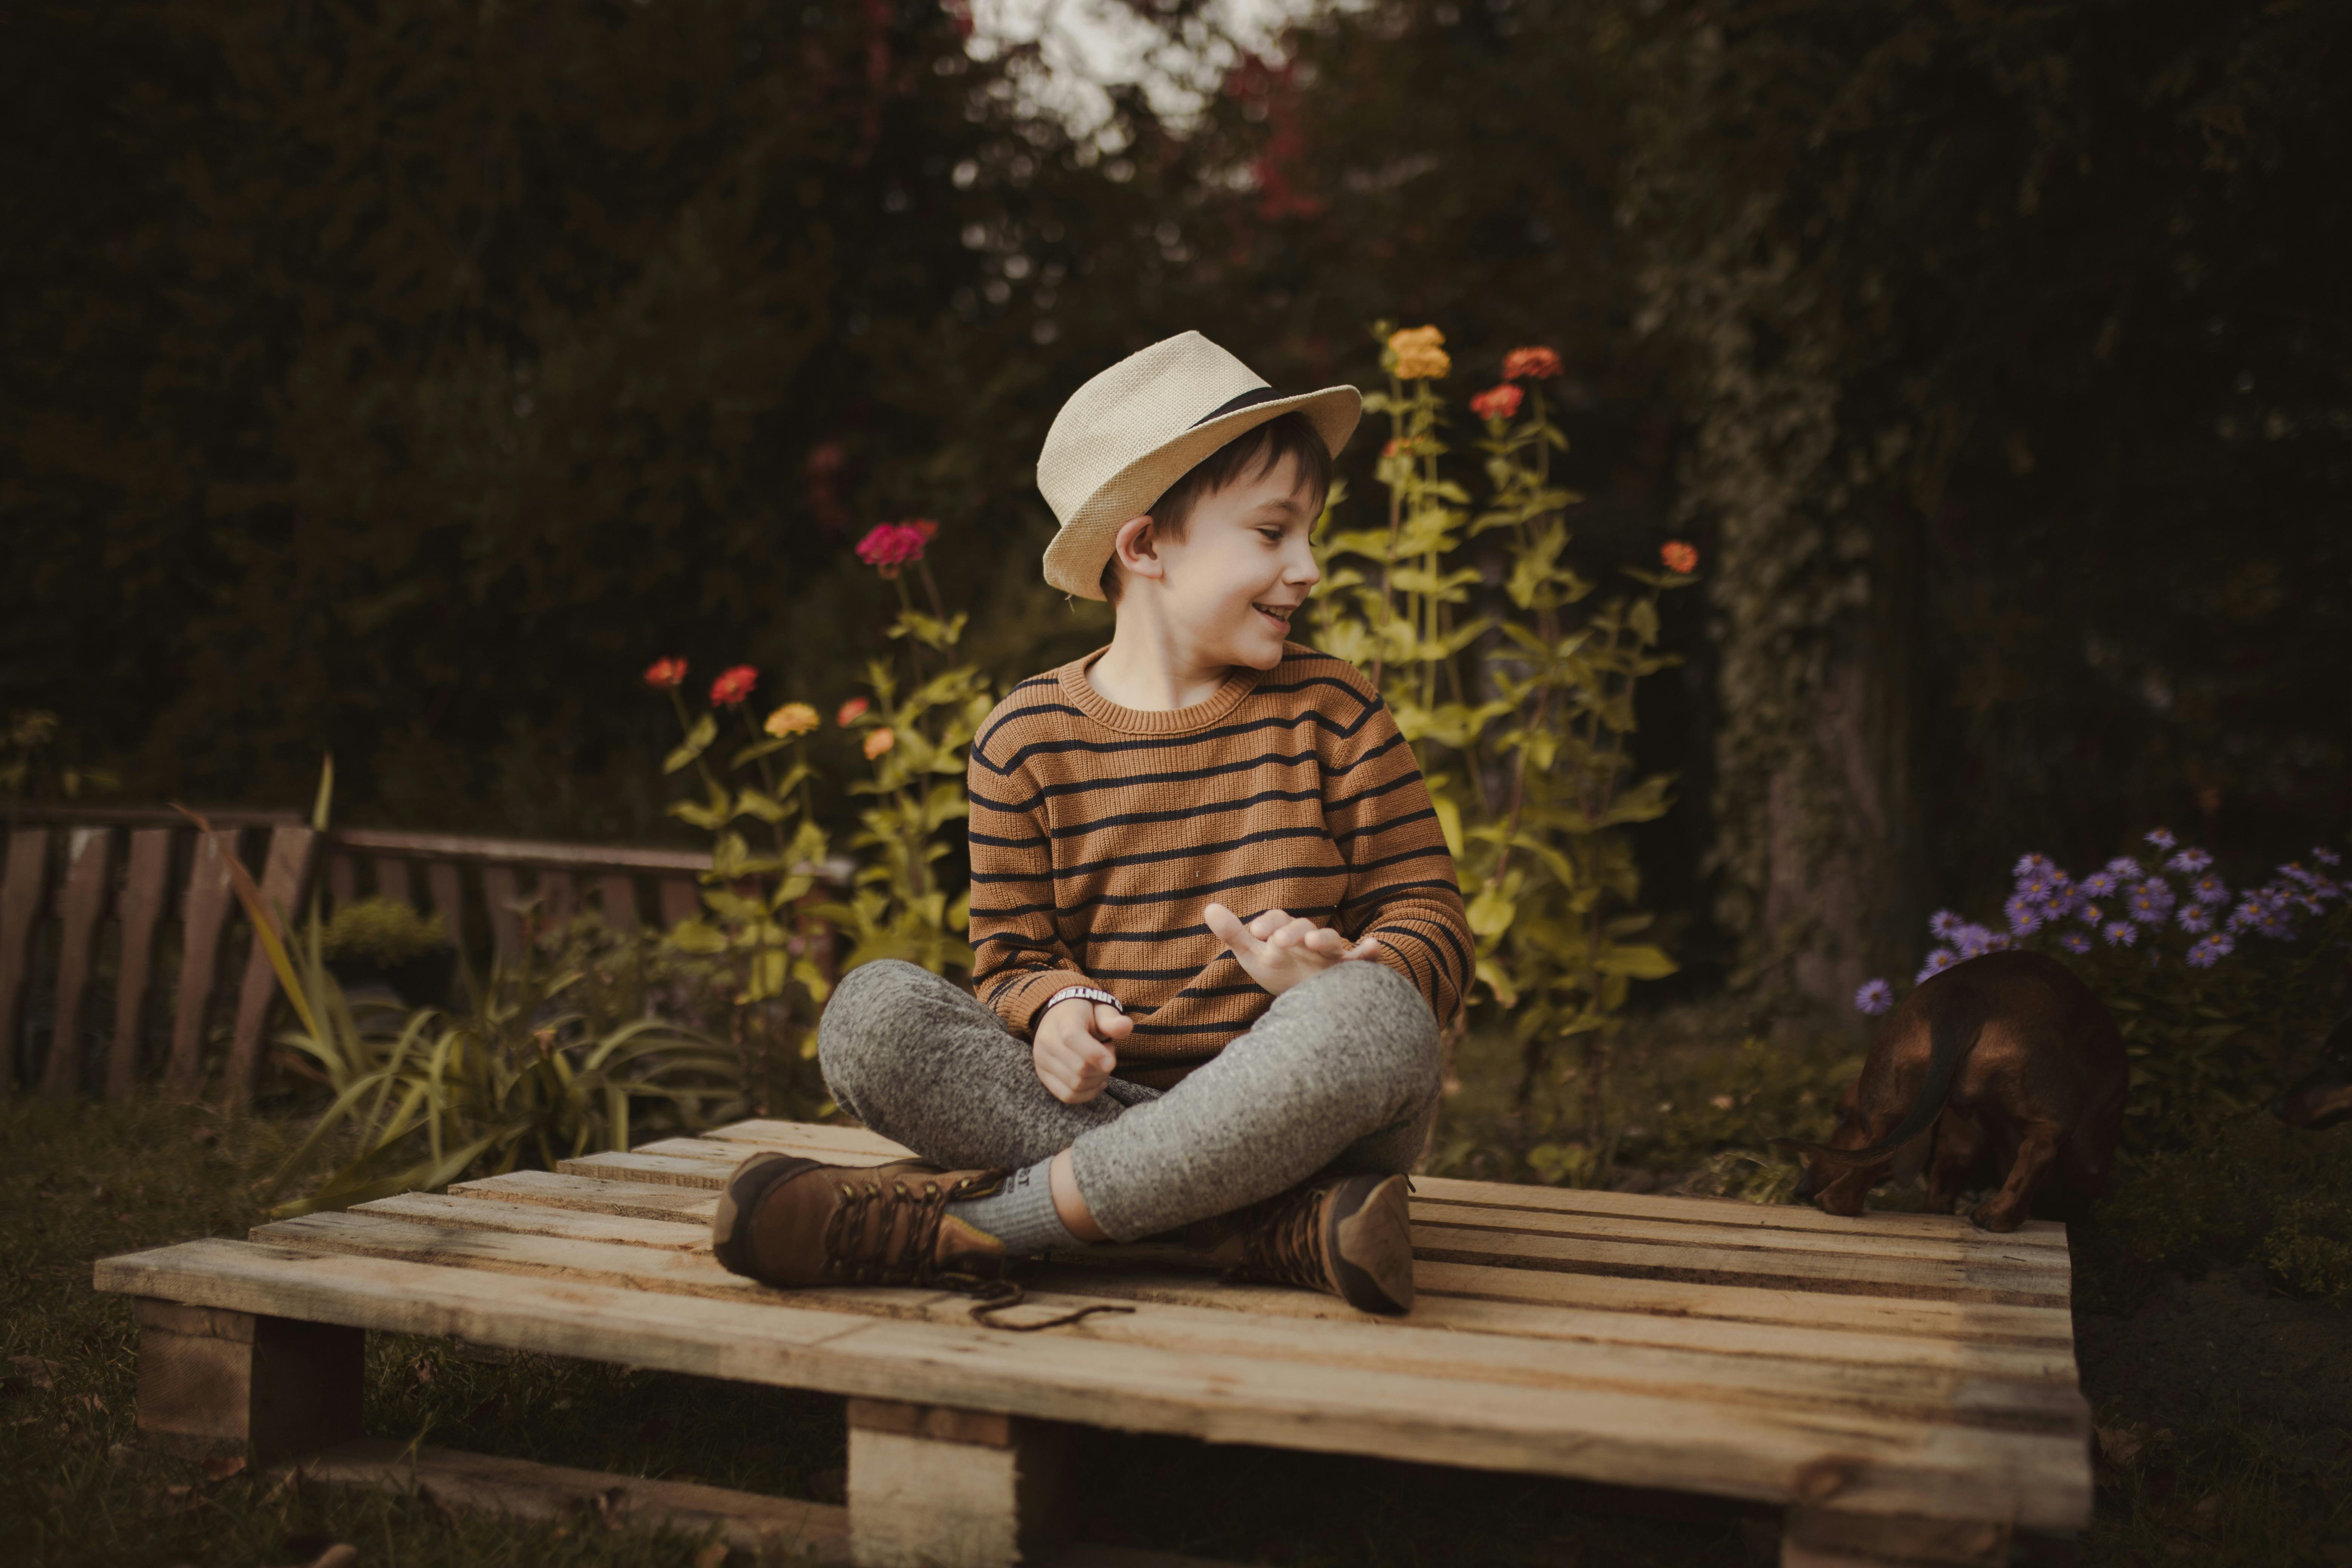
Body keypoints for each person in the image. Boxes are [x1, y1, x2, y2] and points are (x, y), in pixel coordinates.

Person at [710, 331, 1471, 1315]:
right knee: (870, 1016)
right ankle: (1253, 1228)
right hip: (1106, 1110)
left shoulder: (1335, 710)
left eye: (1311, 532)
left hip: (1308, 1112)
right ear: (1145, 546)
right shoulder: (1024, 738)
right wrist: (1059, 1009)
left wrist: (1344, 974)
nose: (1311, 566)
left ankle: (990, 1225)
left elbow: (1433, 917)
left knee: (1372, 1018)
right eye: (1274, 532)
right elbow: (1013, 957)